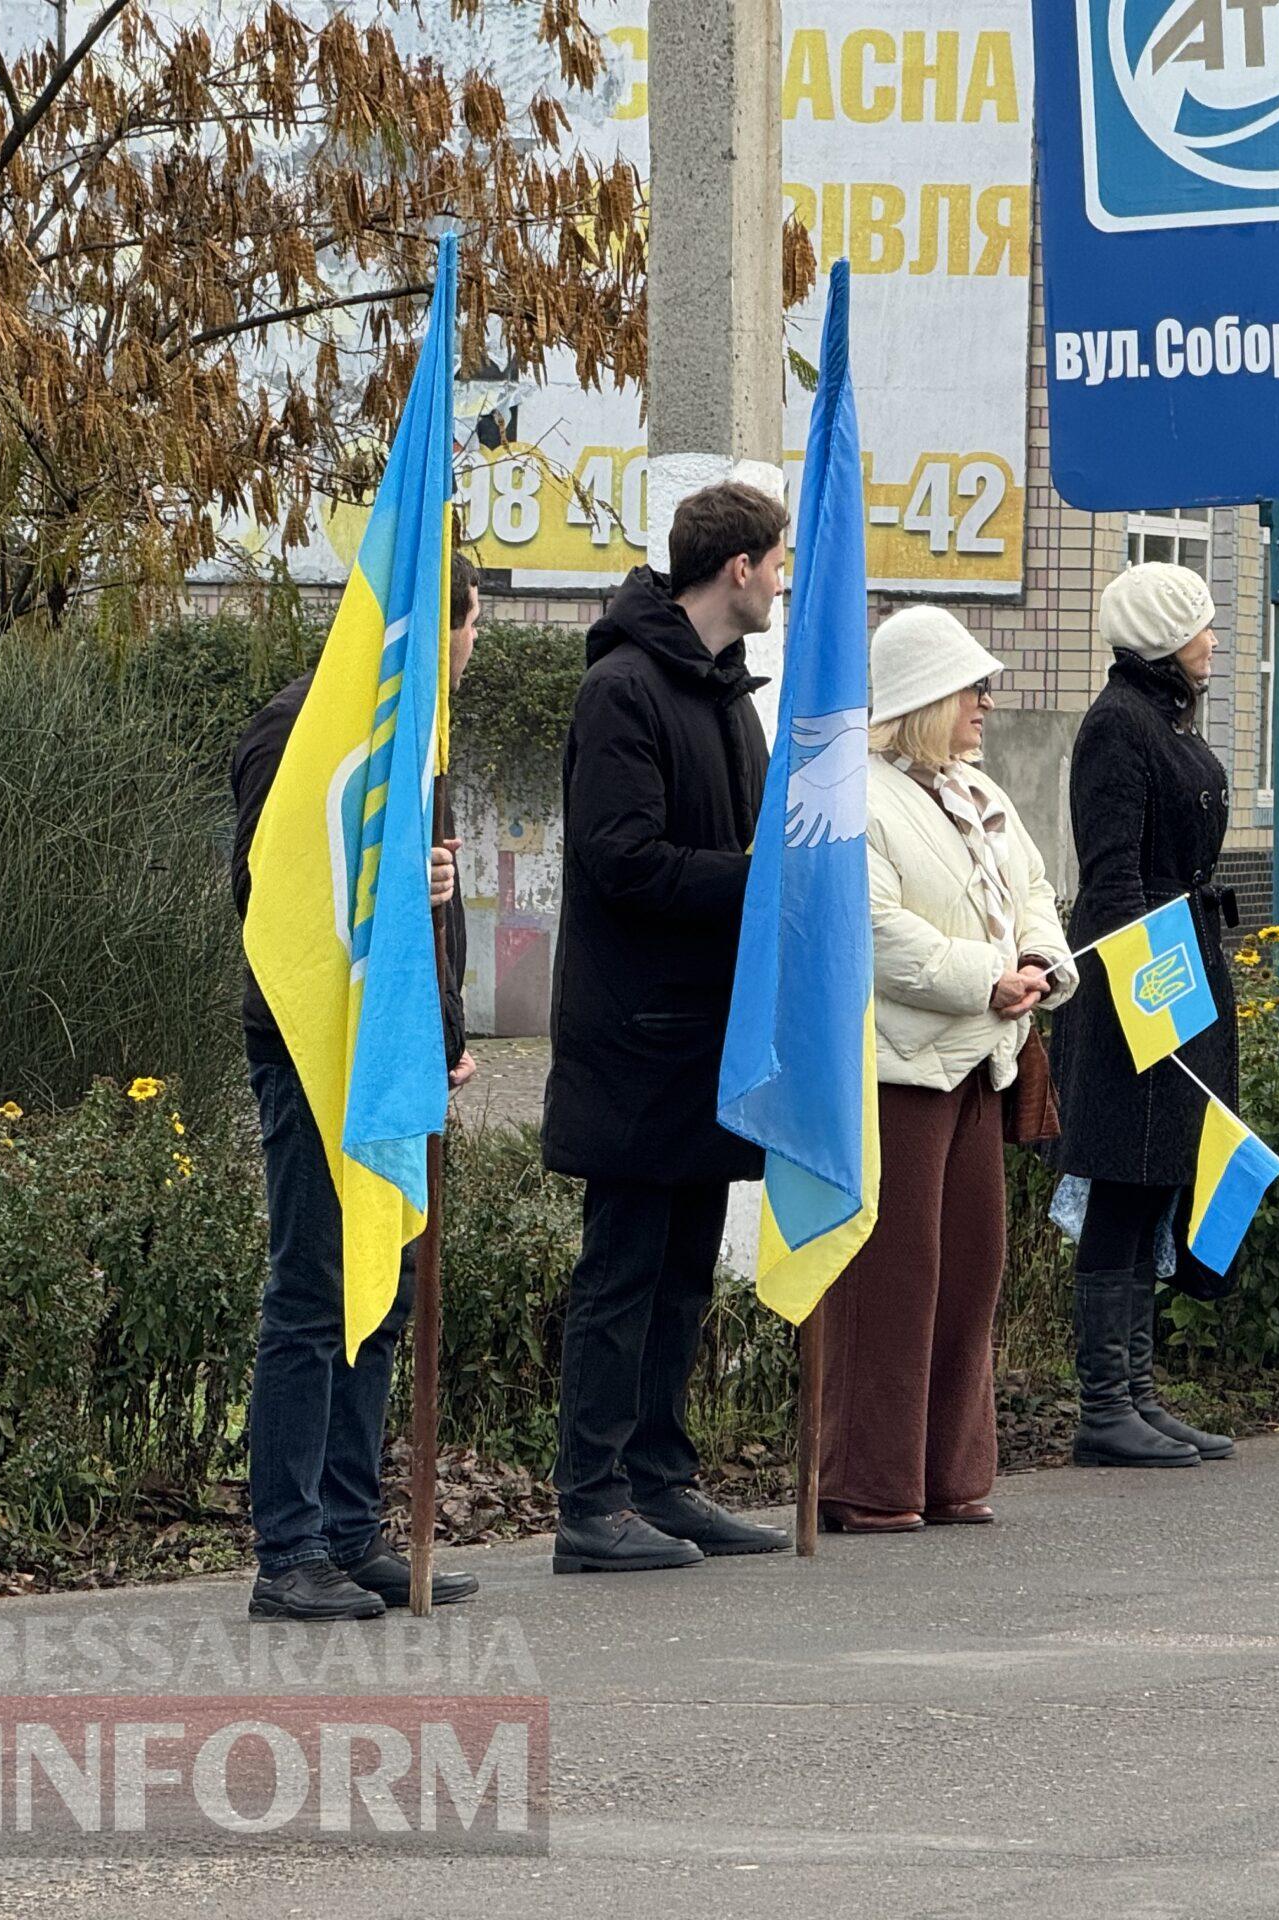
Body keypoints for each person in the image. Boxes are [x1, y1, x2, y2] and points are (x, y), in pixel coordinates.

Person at [544, 482, 796, 1573]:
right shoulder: (623, 689)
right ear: (737, 568)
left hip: (709, 1034)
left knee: (685, 1270)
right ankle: (590, 1501)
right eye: (777, 561)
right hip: (635, 1037)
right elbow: (623, 860)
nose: (783, 581)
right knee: (623, 1274)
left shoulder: (730, 696)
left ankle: (660, 1479)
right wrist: (758, 881)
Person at [234, 556, 484, 1621]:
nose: (472, 652)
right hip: (314, 1048)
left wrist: (445, 1030)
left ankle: (347, 1529)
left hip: (394, 1053)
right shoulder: (298, 729)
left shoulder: (418, 735)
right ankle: (288, 1548)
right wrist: (390, 888)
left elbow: (429, 916)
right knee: (311, 1289)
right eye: (470, 629)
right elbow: (274, 893)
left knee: (383, 1280)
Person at [813, 607, 1075, 1530]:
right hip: (898, 1073)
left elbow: (1032, 888)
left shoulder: (977, 789)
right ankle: (867, 1483)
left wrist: (1039, 960)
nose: (987, 702)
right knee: (893, 1278)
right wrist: (986, 979)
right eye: (971, 687)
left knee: (970, 1270)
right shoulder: (857, 796)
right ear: (924, 696)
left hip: (979, 1062)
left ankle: (946, 1474)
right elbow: (871, 927)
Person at [1048, 562, 1239, 1469]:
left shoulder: (1162, 714)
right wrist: (1146, 1002)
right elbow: (1113, 878)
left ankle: (1137, 1394)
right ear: (1165, 635)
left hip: (1181, 958)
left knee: (1161, 1173)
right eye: (1201, 625)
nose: (1214, 641)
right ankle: (1104, 1406)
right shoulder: (1118, 724)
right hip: (1142, 973)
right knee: (1124, 1180)